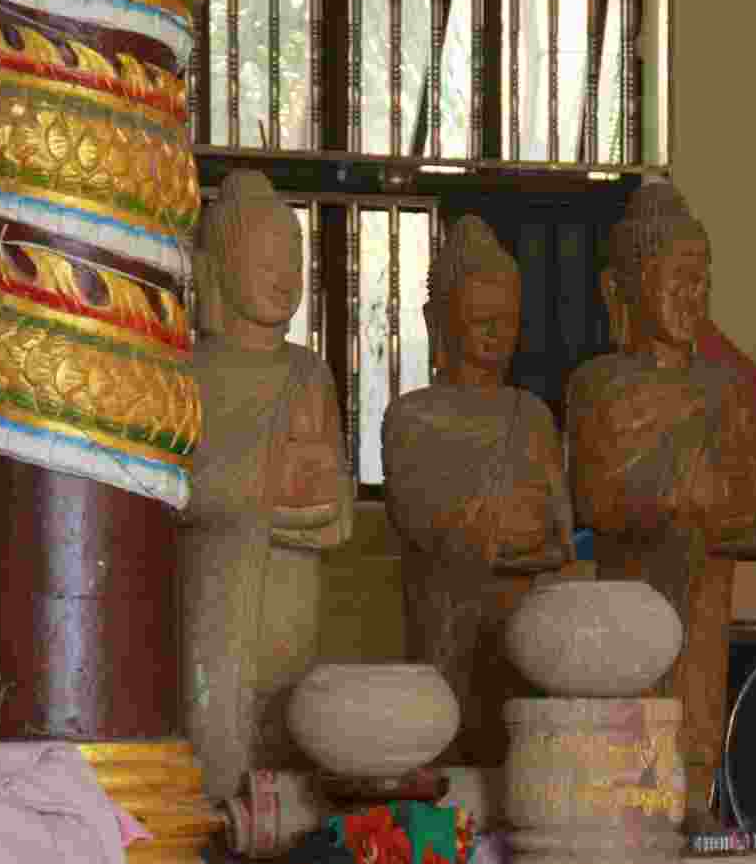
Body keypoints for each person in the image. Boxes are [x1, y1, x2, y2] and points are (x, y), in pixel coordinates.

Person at [567, 180, 756, 829]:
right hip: (633, 586)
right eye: (676, 277)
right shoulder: (597, 385)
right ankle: (640, 801)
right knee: (634, 720)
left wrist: (711, 510)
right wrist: (663, 505)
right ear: (623, 288)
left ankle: (693, 799)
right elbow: (590, 501)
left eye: (702, 278)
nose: (694, 293)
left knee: (696, 707)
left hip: (705, 591)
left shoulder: (724, 392)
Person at [183, 170, 353, 800]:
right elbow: (171, 487)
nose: (285, 275)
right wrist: (266, 483)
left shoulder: (310, 372)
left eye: (294, 260)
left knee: (290, 741)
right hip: (216, 590)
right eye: (265, 259)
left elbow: (331, 500)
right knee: (215, 745)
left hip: (292, 587)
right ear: (220, 269)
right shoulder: (188, 372)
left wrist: (300, 491)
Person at [382, 214, 573, 765]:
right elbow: (419, 522)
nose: (497, 334)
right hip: (443, 619)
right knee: (446, 748)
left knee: (521, 757)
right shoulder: (411, 418)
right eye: (480, 319)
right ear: (438, 321)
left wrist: (525, 542)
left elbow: (563, 537)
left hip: (524, 624)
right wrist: (491, 530)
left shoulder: (531, 416)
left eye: (508, 321)